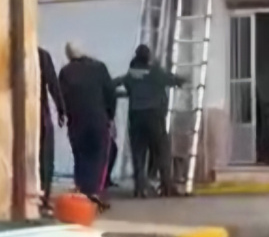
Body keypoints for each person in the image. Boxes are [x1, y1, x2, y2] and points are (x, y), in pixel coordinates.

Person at [115, 44, 185, 198]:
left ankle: (140, 189)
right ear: (148, 58)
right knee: (162, 151)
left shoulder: (131, 74)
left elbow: (116, 83)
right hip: (154, 116)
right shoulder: (155, 72)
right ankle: (166, 186)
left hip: (136, 118)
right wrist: (183, 79)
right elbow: (174, 80)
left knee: (138, 153)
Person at [59, 43, 116, 209]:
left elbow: (62, 96)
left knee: (80, 157)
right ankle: (93, 194)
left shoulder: (65, 72)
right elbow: (110, 93)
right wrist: (110, 116)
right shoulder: (99, 68)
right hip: (98, 120)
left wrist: (64, 114)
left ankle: (82, 193)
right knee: (99, 157)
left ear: (69, 56)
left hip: (76, 121)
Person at [38, 47, 65, 215]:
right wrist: (61, 109)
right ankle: (43, 198)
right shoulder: (41, 55)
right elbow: (53, 84)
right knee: (45, 158)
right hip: (39, 114)